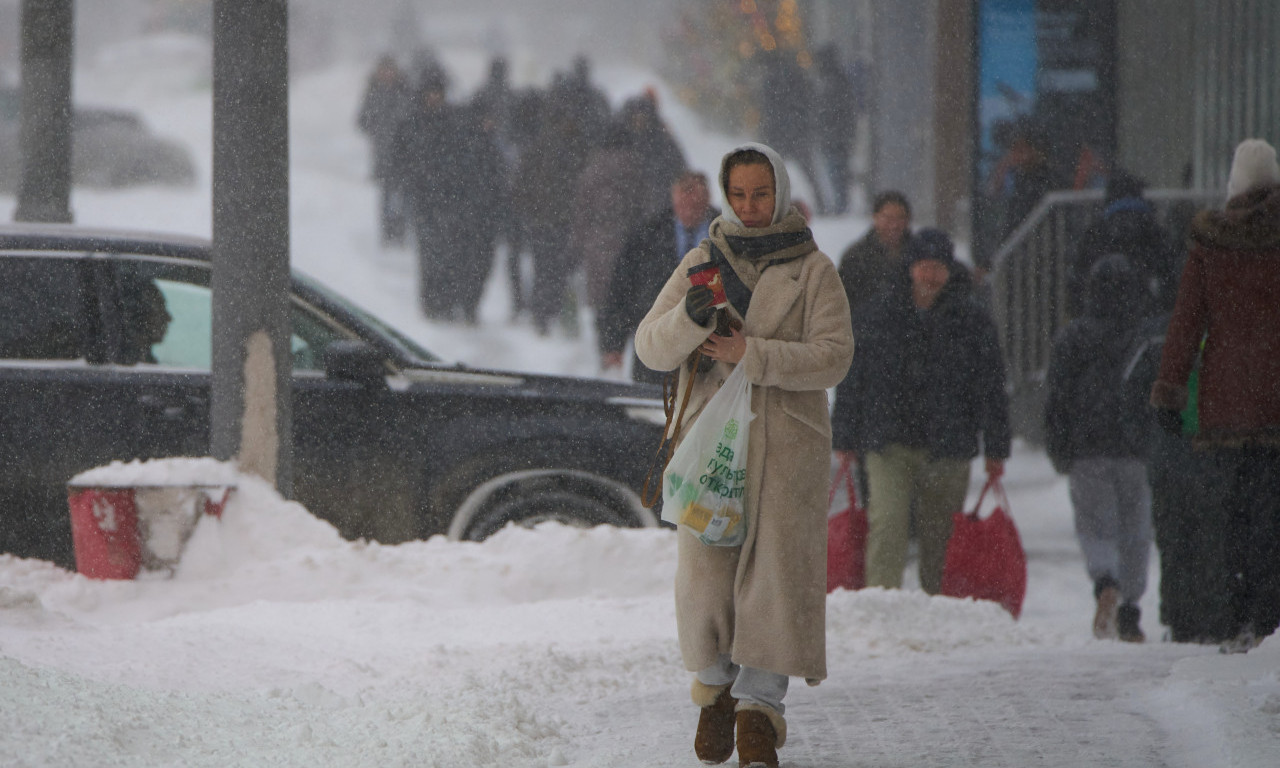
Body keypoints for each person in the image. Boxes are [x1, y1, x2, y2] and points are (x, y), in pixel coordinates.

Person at [634, 144, 853, 767]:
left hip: (786, 448)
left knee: (774, 579)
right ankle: (715, 691)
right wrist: (690, 318)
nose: (750, 206)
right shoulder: (701, 261)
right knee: (705, 577)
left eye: (761, 194)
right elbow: (650, 346)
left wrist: (750, 355)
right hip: (712, 447)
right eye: (739, 194)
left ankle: (759, 712)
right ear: (725, 196)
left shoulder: (814, 270)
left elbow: (835, 356)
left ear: (779, 194)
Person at [1149, 138, 1280, 654]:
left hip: (1227, 403)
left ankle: (1243, 616)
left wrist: (1169, 393)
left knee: (1235, 516)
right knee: (1273, 513)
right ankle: (1273, 617)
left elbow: (1186, 323)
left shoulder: (1212, 243)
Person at [831, 228, 1010, 596]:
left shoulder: (972, 321)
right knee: (887, 525)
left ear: (950, 270)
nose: (931, 275)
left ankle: (936, 606)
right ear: (910, 268)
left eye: (938, 268)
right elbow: (854, 378)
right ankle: (881, 604)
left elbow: (991, 388)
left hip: (948, 444)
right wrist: (845, 436)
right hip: (888, 440)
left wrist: (996, 446)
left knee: (941, 536)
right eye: (924, 266)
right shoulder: (877, 315)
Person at [1044, 254, 1153, 642]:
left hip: (1088, 446)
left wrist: (1059, 446)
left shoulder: (1072, 337)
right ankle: (1131, 609)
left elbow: (1057, 397)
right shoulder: (1143, 336)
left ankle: (1105, 580)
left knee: (1095, 525)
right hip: (1134, 449)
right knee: (1135, 529)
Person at [597, 170, 716, 384]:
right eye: (683, 203)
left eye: (695, 205)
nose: (689, 211)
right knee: (651, 402)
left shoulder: (725, 235)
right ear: (674, 198)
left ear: (707, 200)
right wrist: (612, 343)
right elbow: (620, 290)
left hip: (709, 348)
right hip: (656, 342)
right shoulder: (648, 235)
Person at [1068, 170, 1179, 317]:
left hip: (1101, 318)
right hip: (1148, 317)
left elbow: (1077, 283)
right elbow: (1171, 282)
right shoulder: (1156, 233)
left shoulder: (1095, 234)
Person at [357, 55, 411, 245]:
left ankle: (401, 231)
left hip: (405, 153)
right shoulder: (373, 93)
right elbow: (361, 120)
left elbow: (413, 118)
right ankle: (388, 232)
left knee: (403, 194)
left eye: (390, 70)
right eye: (384, 70)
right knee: (387, 194)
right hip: (383, 154)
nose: (387, 74)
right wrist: (376, 128)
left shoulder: (404, 91)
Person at [835, 190, 914, 318]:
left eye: (900, 218)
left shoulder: (919, 254)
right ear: (875, 217)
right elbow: (841, 300)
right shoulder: (856, 257)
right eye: (888, 218)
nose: (894, 225)